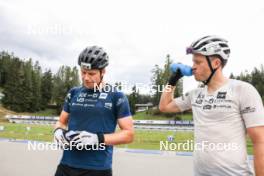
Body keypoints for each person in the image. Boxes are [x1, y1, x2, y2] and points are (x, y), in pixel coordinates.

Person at [159, 36, 264, 176]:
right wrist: (173, 80)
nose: (193, 66)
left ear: (216, 63)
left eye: (198, 62)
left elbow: (260, 142)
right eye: (192, 62)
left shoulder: (242, 89)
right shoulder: (195, 94)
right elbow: (164, 106)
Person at [53, 46, 134, 176]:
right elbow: (61, 121)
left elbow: (129, 134)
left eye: (91, 74)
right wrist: (57, 131)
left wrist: (98, 139)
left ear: (103, 72)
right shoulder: (73, 93)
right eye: (83, 72)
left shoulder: (116, 96)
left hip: (97, 169)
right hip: (66, 165)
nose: (85, 78)